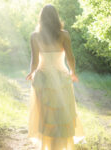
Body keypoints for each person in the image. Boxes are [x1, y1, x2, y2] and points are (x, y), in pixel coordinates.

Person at [26, 4, 84, 150]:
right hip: (61, 77)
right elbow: (70, 57)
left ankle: (48, 146)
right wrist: (73, 72)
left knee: (46, 114)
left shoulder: (35, 36)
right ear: (56, 17)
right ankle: (61, 146)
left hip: (43, 78)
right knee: (63, 113)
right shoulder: (64, 34)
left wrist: (31, 73)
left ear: (41, 18)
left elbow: (35, 61)